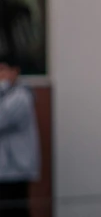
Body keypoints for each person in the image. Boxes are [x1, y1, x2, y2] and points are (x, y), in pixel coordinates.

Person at [0, 53, 40, 217]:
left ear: (15, 71)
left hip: (16, 169)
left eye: (2, 69)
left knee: (14, 211)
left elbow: (2, 117)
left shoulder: (21, 96)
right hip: (4, 170)